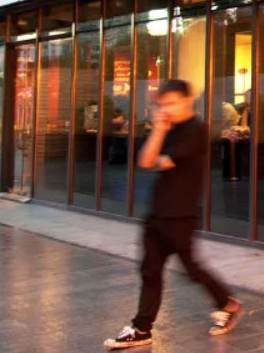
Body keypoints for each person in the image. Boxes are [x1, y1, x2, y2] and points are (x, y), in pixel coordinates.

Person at [105, 79, 242, 348]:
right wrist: (159, 130)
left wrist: (157, 137)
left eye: (171, 103)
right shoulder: (167, 128)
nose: (166, 109)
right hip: (158, 212)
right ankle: (142, 329)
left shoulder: (195, 130)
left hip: (181, 214)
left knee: (192, 269)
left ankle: (228, 304)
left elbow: (161, 162)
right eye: (162, 105)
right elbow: (144, 161)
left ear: (187, 101)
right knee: (150, 271)